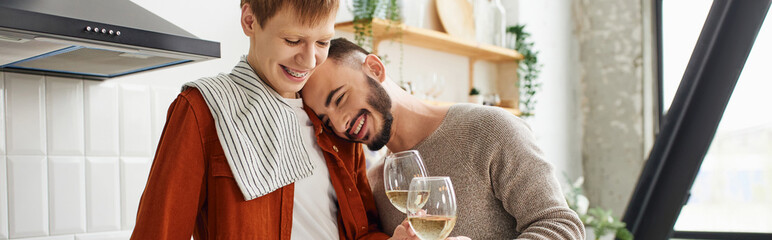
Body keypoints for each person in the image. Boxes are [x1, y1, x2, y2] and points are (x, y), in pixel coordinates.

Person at [131, 1, 413, 239]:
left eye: (322, 42)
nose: (308, 61)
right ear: (250, 21)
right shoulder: (202, 110)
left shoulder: (332, 123)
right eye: (292, 40)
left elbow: (361, 232)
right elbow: (158, 232)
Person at [301, 38, 586, 239]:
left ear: (375, 69)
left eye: (339, 99)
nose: (340, 124)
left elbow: (561, 225)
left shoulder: (489, 129)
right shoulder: (378, 183)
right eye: (326, 120)